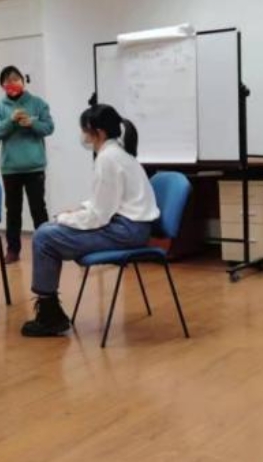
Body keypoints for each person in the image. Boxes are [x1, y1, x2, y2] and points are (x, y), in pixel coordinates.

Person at [21, 104, 160, 338]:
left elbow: (98, 216)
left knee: (44, 236)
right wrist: (78, 210)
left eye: (85, 130)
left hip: (125, 230)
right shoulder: (118, 153)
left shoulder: (107, 158)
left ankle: (49, 316)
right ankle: (50, 311)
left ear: (99, 132)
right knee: (48, 230)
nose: (83, 135)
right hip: (132, 227)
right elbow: (107, 202)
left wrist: (65, 218)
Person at [0, 65, 54, 264]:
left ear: (23, 81)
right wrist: (11, 121)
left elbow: (49, 127)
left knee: (38, 208)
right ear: (2, 85)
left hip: (35, 166)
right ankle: (13, 250)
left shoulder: (38, 103)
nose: (12, 83)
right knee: (13, 210)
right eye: (7, 80)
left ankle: (46, 247)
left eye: (16, 79)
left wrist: (32, 123)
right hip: (11, 168)